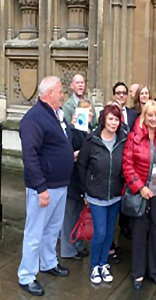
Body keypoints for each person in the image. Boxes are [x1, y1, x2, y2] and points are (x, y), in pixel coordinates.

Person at [17, 76, 74, 296]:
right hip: (44, 188)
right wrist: (40, 188)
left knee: (52, 229)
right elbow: (30, 156)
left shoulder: (57, 114)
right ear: (49, 93)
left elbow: (59, 144)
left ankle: (49, 262)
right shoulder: (34, 119)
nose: (62, 94)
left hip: (60, 184)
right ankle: (26, 275)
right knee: (35, 232)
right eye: (60, 91)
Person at [122, 100, 156, 289]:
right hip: (142, 192)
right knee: (138, 232)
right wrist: (139, 187)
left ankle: (154, 271)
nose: (153, 119)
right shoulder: (134, 137)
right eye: (150, 115)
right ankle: (137, 273)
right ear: (144, 116)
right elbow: (127, 166)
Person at [75, 104, 126, 284]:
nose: (113, 123)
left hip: (115, 194)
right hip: (96, 195)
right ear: (104, 119)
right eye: (111, 118)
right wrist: (85, 191)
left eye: (117, 119)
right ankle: (94, 265)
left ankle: (104, 263)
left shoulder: (123, 140)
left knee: (110, 232)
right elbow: (81, 166)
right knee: (100, 232)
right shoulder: (92, 140)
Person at [60, 100, 93, 262]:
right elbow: (67, 151)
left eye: (91, 112)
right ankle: (68, 249)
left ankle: (78, 244)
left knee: (79, 215)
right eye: (86, 112)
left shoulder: (91, 131)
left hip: (83, 180)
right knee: (69, 215)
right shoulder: (72, 131)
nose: (89, 115)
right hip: (72, 178)